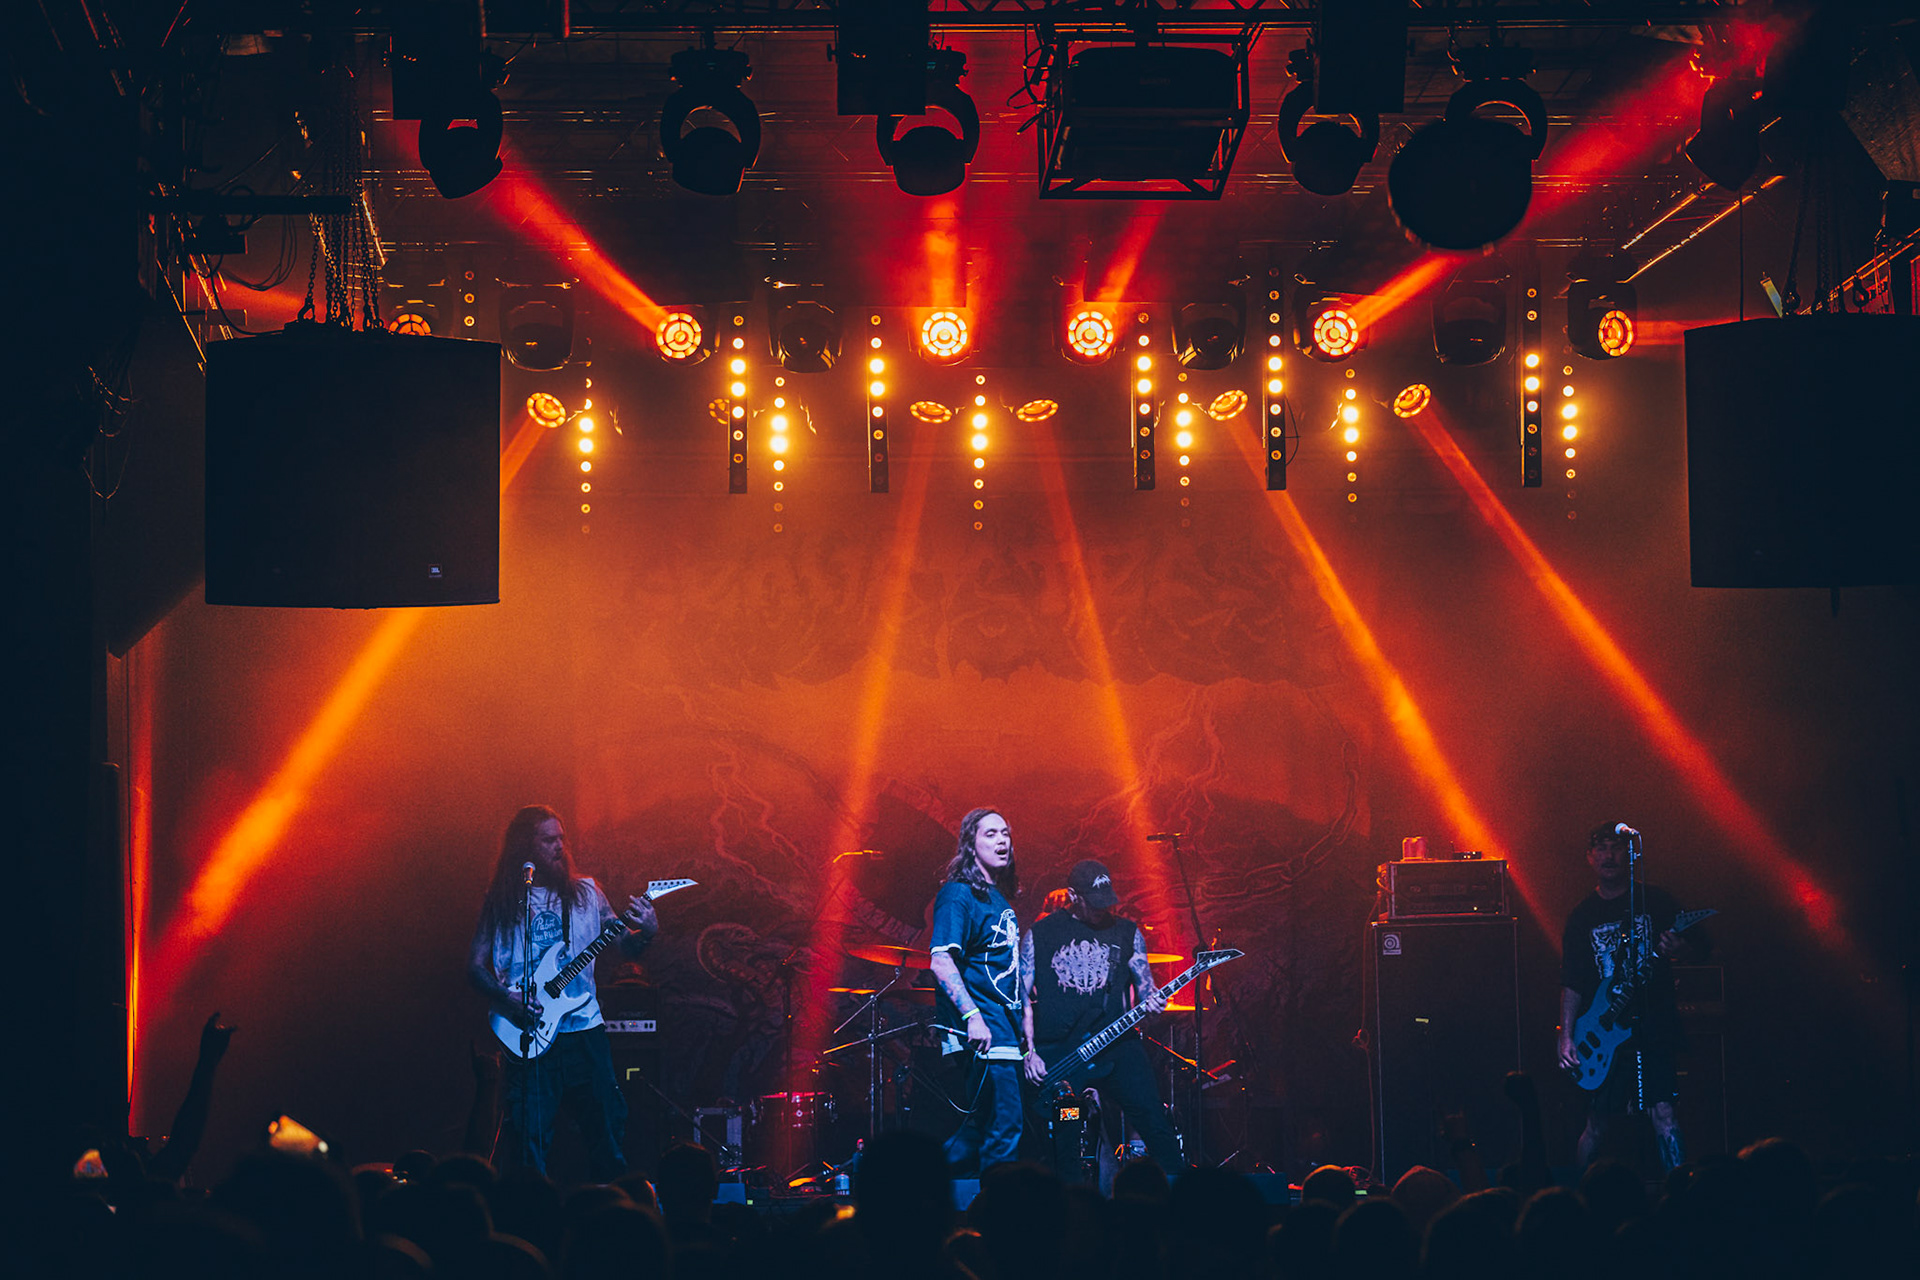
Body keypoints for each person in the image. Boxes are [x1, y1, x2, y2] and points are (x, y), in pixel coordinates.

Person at [469, 805, 659, 1181]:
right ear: (526, 846)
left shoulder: (588, 893)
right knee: (527, 1141)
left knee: (606, 1130)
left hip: (585, 1031)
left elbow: (626, 946)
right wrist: (507, 998)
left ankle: (612, 1204)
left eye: (562, 838)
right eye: (548, 840)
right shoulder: (503, 899)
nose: (560, 847)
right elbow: (474, 966)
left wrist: (648, 931)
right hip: (528, 1033)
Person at [1557, 822, 1709, 1172]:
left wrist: (1680, 948)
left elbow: (1701, 947)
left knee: (1664, 1112)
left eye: (1616, 847)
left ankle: (1679, 1192)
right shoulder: (1582, 916)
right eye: (1602, 848)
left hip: (1653, 1023)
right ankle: (1583, 1195)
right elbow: (1572, 979)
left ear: (1629, 854)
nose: (1609, 855)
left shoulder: (1655, 901)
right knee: (1597, 1123)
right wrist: (1565, 1034)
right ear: (1590, 857)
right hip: (1604, 1030)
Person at [1020, 859, 1179, 1187]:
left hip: (1117, 1047)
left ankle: (1181, 1195)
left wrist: (1153, 1003)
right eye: (1094, 902)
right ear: (1073, 896)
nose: (1101, 909)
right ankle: (1070, 1204)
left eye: (1106, 901)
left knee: (1154, 1122)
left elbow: (1146, 990)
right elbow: (1020, 997)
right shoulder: (1041, 934)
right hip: (1062, 1057)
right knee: (1067, 1133)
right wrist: (1029, 1051)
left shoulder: (1126, 933)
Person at [928, 807, 1027, 1172]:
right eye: (990, 834)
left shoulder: (996, 898)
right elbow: (941, 961)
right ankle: (999, 1205)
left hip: (1005, 1027)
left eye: (1006, 833)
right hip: (985, 1029)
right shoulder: (959, 895)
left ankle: (919, 1181)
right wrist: (972, 1017)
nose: (1002, 841)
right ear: (970, 845)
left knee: (985, 1129)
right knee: (1004, 1129)